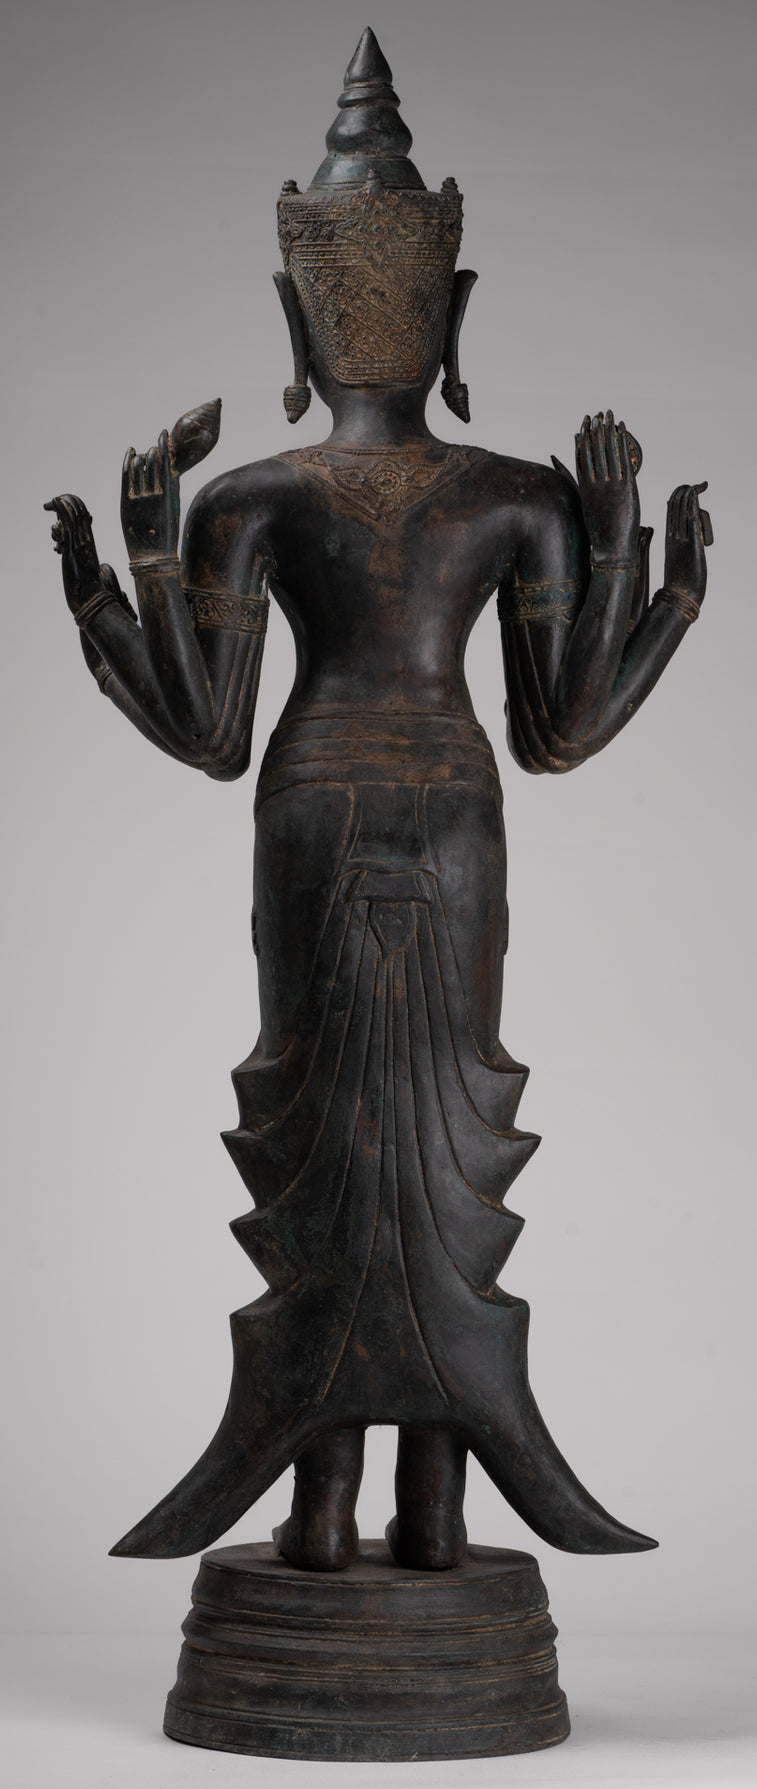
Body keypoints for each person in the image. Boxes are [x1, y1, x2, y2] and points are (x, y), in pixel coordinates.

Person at [47, 30, 711, 1573]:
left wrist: (123, 568)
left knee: (367, 1133)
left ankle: (342, 1512)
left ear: (295, 317)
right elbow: (561, 732)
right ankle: (406, 1511)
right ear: (450, 313)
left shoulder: (259, 497)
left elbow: (209, 733)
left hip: (317, 805)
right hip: (443, 811)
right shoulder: (507, 494)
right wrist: (645, 566)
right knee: (388, 1135)